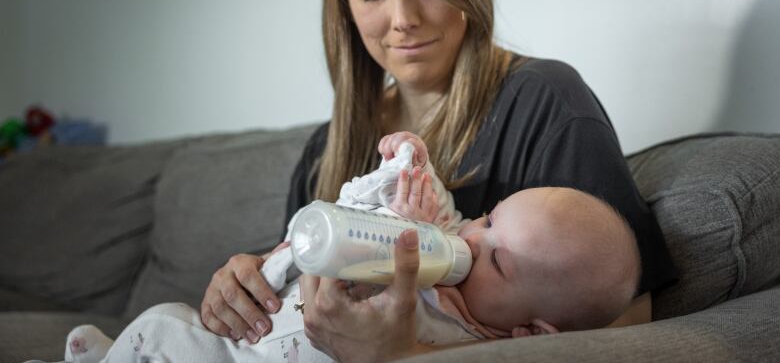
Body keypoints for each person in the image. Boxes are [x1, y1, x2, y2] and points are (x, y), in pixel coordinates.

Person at [199, 0, 678, 361]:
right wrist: (245, 288)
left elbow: (624, 329)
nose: (403, 19)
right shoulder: (326, 150)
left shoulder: (545, 102)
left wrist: (407, 354)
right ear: (345, 5)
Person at [54, 134, 640, 363]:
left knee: (165, 335)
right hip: (240, 341)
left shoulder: (462, 343)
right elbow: (419, 206)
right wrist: (410, 164)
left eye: (495, 260)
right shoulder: (446, 234)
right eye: (489, 219)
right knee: (165, 324)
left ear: (531, 333)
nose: (470, 240)